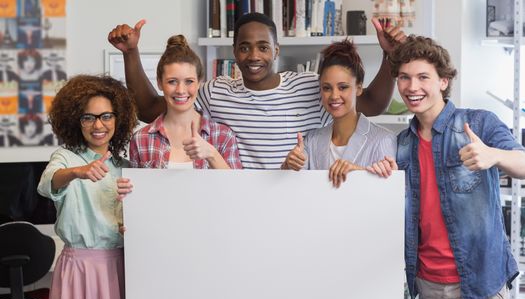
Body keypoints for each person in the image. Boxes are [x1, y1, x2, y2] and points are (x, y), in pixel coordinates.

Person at [367, 35, 525, 299]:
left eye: (423, 77)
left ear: (444, 81)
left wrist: (494, 155)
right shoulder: (401, 144)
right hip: (429, 287)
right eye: (405, 78)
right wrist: (378, 176)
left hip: (480, 284)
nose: (413, 87)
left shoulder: (479, 123)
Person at [107, 13, 406, 169]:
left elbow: (372, 103)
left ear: (276, 49)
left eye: (263, 47)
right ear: (234, 51)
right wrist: (131, 53)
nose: (254, 56)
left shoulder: (307, 86)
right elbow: (149, 110)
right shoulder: (215, 92)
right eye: (244, 47)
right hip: (239, 204)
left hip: (295, 204)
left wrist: (390, 56)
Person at [37, 75, 138, 299]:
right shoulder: (66, 157)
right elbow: (48, 183)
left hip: (120, 266)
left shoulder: (127, 164)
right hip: (80, 267)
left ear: (118, 119)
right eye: (88, 118)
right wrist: (77, 173)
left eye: (106, 116)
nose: (98, 125)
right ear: (75, 121)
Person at [281, 38, 396, 188]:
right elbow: (295, 189)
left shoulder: (383, 140)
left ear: (359, 88)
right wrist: (288, 166)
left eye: (343, 87)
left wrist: (360, 174)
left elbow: (389, 193)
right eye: (327, 88)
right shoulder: (312, 140)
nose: (334, 96)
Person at [128, 34, 241, 170]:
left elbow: (235, 189)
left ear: (199, 82)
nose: (181, 90)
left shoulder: (223, 136)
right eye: (172, 82)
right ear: (159, 83)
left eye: (189, 81)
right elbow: (138, 190)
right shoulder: (141, 139)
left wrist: (212, 154)